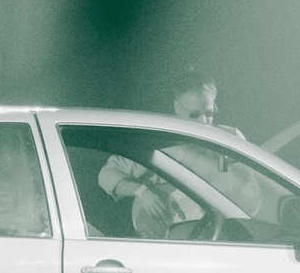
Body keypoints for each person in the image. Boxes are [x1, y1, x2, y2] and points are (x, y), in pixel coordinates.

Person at [99, 68, 262, 238]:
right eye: (194, 115)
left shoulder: (230, 139)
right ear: (177, 107)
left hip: (221, 234)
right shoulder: (160, 142)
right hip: (176, 240)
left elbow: (253, 202)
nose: (203, 122)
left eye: (209, 114)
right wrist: (141, 191)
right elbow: (106, 174)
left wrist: (231, 183)